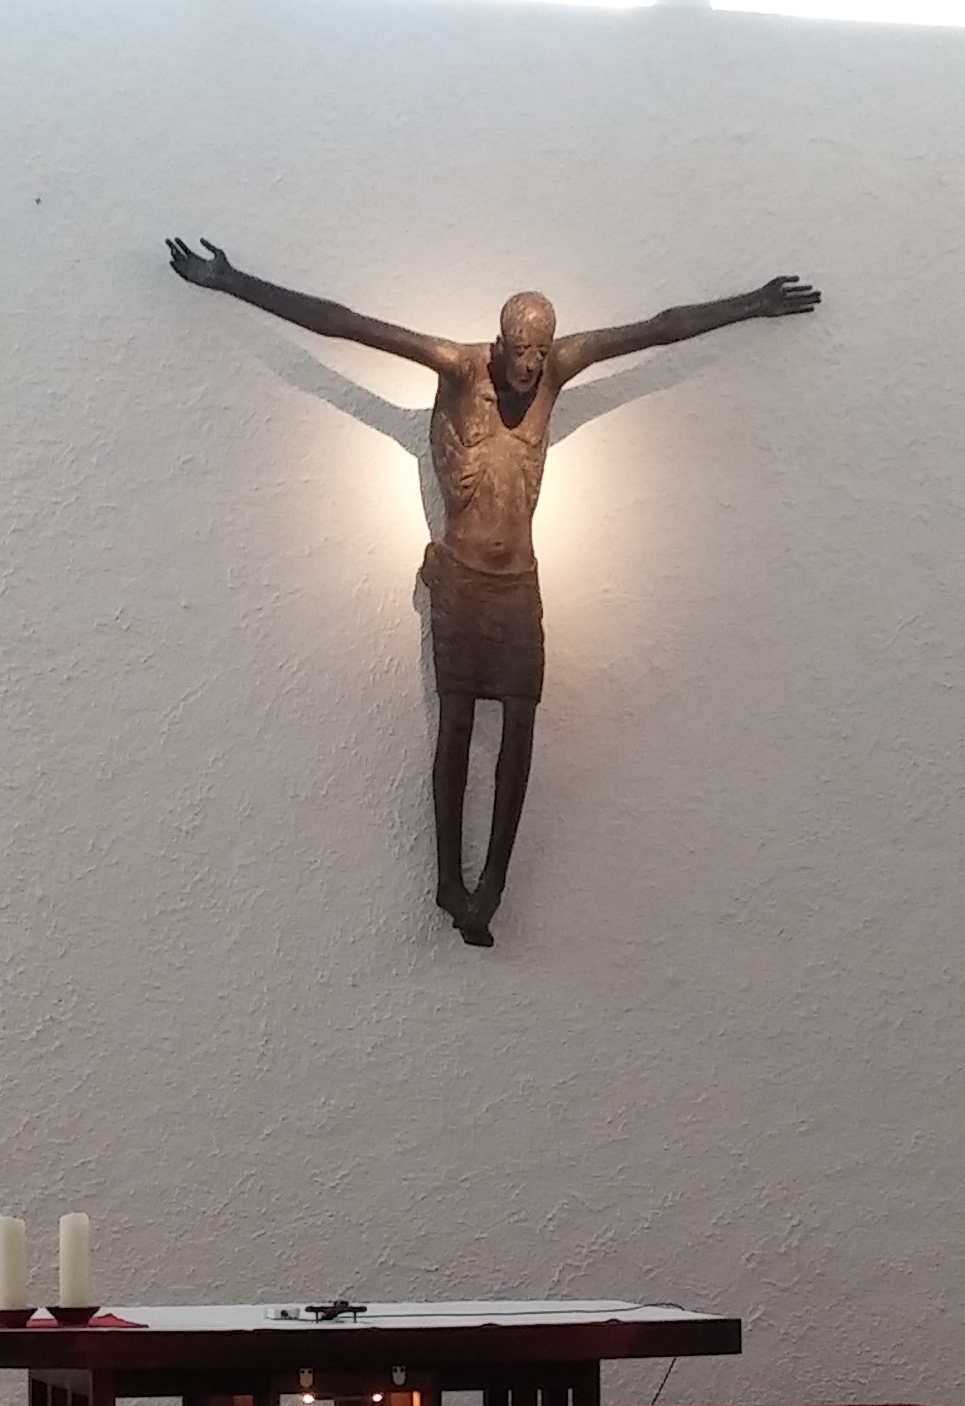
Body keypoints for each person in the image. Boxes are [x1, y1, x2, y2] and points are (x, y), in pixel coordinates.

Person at [166, 238, 819, 942]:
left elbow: (657, 328)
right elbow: (344, 322)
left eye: (542, 354)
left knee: (520, 727)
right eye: (522, 354)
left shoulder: (558, 371)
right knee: (454, 725)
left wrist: (752, 304)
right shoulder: (455, 366)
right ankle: (448, 878)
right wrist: (232, 283)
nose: (532, 369)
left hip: (518, 587)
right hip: (460, 584)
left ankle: (495, 882)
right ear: (499, 340)